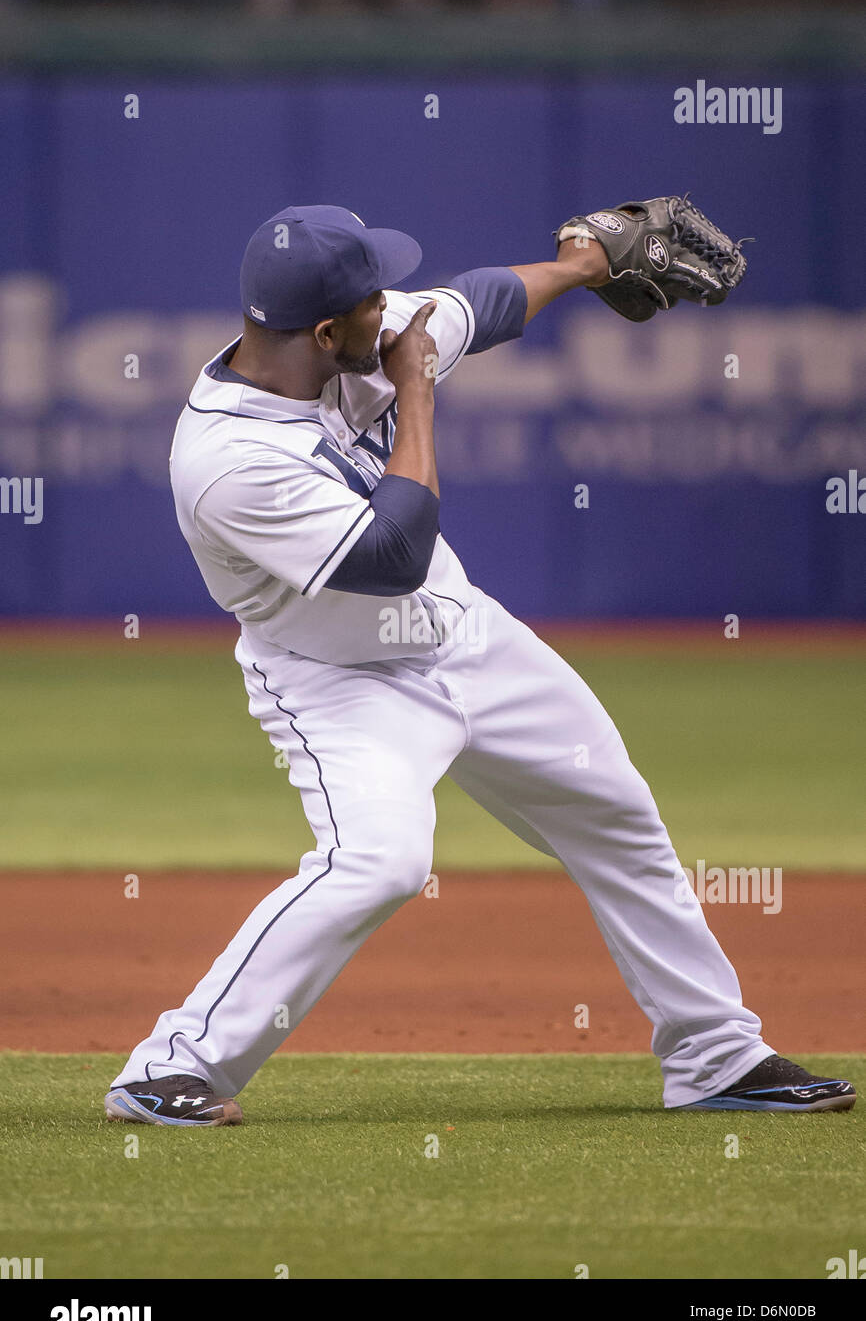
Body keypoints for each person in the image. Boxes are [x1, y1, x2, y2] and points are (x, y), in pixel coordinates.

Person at [105, 204, 855, 1125]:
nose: (394, 309)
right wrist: (416, 393)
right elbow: (393, 555)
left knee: (616, 812)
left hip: (467, 638)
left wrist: (583, 264)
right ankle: (168, 1068)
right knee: (378, 863)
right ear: (328, 330)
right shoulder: (229, 459)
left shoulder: (352, 335)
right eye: (375, 298)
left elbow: (477, 305)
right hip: (343, 684)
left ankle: (714, 1054)